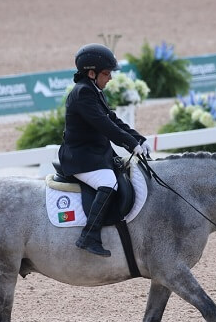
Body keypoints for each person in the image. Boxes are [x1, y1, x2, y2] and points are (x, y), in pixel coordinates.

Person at [58, 43, 151, 257]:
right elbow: (105, 127)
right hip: (80, 158)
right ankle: (89, 236)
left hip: (95, 154)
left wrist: (138, 138)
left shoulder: (93, 90)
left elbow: (113, 119)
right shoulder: (83, 94)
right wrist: (130, 145)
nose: (110, 78)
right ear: (92, 73)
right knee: (109, 183)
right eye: (106, 73)